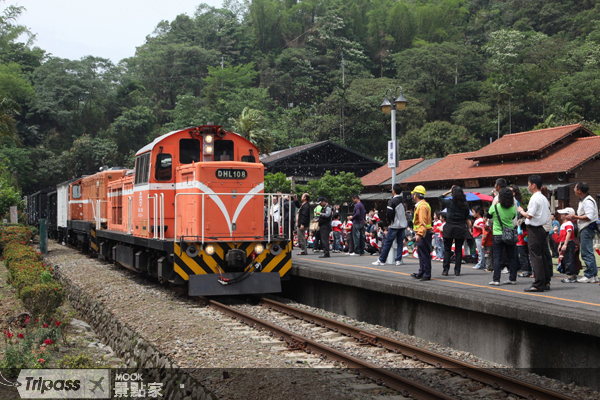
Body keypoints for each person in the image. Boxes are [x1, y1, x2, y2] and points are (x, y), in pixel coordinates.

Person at [517, 175, 551, 292]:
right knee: (542, 256)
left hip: (535, 229)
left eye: (528, 184)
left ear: (533, 185)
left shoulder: (535, 198)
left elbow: (529, 215)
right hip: (542, 228)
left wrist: (521, 210)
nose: (528, 186)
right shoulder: (544, 198)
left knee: (535, 256)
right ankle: (546, 281)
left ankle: (538, 284)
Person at [565, 182, 599, 283]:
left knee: (586, 252)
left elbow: (589, 216)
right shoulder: (584, 200)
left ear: (579, 190)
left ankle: (589, 275)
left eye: (575, 188)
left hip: (587, 228)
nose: (574, 189)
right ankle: (593, 275)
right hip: (586, 228)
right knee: (588, 252)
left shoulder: (588, 201)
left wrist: (575, 217)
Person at [439, 186, 471, 276]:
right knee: (458, 250)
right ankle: (457, 270)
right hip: (460, 227)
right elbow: (467, 218)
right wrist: (468, 229)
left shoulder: (449, 202)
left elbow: (440, 197)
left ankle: (445, 270)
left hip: (449, 227)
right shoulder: (465, 204)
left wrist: (448, 191)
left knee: (447, 250)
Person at [372, 184, 408, 266]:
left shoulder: (392, 201)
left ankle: (382, 260)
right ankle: (398, 260)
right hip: (402, 225)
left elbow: (389, 213)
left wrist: (388, 221)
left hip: (394, 225)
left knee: (388, 242)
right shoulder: (403, 200)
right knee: (400, 243)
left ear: (393, 191)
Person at [489, 187, 518, 285]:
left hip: (497, 234)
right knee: (511, 257)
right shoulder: (513, 208)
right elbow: (513, 216)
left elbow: (488, 215)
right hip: (509, 233)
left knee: (497, 257)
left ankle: (496, 279)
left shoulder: (495, 207)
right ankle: (512, 278)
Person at [409, 185, 433, 281]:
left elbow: (422, 222)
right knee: (421, 253)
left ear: (415, 195)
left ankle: (426, 274)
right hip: (424, 233)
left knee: (424, 254)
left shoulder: (422, 207)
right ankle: (422, 272)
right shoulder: (424, 205)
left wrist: (419, 234)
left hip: (423, 233)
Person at [554, 207, 577, 283]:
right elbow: (562, 236)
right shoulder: (564, 223)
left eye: (563, 214)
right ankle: (570, 275)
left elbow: (569, 233)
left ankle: (570, 276)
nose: (561, 215)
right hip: (565, 242)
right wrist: (561, 244)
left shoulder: (569, 223)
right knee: (566, 259)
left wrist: (565, 244)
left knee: (569, 259)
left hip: (569, 242)